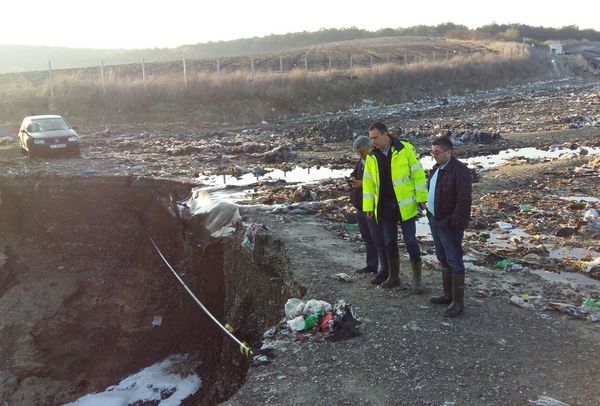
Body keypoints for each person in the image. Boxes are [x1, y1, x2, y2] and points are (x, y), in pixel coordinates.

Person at [362, 122, 428, 291]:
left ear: (386, 135)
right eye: (371, 138)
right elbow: (368, 184)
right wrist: (369, 207)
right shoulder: (371, 157)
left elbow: (418, 174)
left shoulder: (405, 149)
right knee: (389, 242)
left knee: (410, 241)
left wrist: (421, 198)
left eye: (375, 137)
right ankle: (393, 277)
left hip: (404, 205)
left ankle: (417, 281)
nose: (373, 141)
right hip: (384, 206)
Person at [427, 136, 472, 317]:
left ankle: (458, 303)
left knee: (454, 259)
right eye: (433, 152)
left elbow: (464, 200)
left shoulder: (460, 171)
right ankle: (448, 295)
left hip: (449, 223)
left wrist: (453, 222)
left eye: (437, 152)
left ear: (449, 152)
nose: (434, 156)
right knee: (443, 257)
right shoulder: (437, 169)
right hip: (435, 219)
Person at [349, 136, 385, 275]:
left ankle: (384, 270)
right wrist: (352, 180)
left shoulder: (377, 159)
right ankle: (371, 265)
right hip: (360, 205)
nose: (360, 154)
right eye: (358, 152)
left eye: (362, 151)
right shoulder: (361, 161)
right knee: (368, 239)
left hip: (371, 207)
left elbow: (380, 182)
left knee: (377, 239)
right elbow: (354, 174)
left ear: (369, 147)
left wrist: (363, 184)